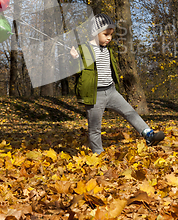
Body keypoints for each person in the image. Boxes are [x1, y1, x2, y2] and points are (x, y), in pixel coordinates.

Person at [70, 13, 165, 154]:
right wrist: (74, 59)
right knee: (95, 127)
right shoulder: (84, 49)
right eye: (105, 34)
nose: (109, 38)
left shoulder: (107, 50)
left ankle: (148, 134)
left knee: (129, 112)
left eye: (111, 34)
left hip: (111, 91)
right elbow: (77, 72)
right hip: (94, 95)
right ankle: (98, 153)